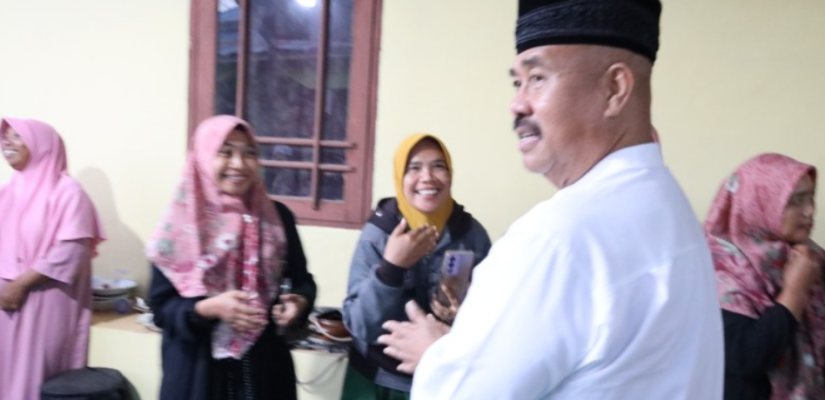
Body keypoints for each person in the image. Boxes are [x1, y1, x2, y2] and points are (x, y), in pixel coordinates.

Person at [377, 1, 725, 399]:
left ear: (614, 89)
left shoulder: (558, 238)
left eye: (538, 78)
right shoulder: (672, 208)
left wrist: (437, 357)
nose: (517, 104)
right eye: (517, 82)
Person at [146, 115, 316, 400]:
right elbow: (162, 309)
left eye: (249, 153)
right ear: (203, 157)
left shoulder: (277, 217)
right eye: (225, 152)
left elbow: (302, 281)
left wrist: (298, 302)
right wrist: (208, 308)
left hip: (266, 371)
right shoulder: (180, 224)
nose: (239, 164)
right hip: (197, 374)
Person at [341, 134, 492, 399]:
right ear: (400, 177)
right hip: (376, 381)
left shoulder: (471, 235)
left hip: (444, 379)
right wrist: (391, 268)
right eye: (414, 168)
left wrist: (461, 316)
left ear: (450, 174)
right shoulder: (379, 233)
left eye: (438, 166)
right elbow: (359, 325)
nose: (427, 177)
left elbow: (492, 317)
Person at [0, 118, 105, 400]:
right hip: (5, 304)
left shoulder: (68, 192)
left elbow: (71, 251)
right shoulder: (6, 191)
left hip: (44, 300)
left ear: (41, 145)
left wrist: (19, 285)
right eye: (5, 136)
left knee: (37, 376)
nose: (6, 142)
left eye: (17, 136)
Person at [706, 154, 825, 400]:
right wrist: (795, 292)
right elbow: (746, 357)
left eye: (811, 197)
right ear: (760, 202)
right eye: (796, 201)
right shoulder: (721, 268)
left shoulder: (809, 257)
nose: (810, 211)